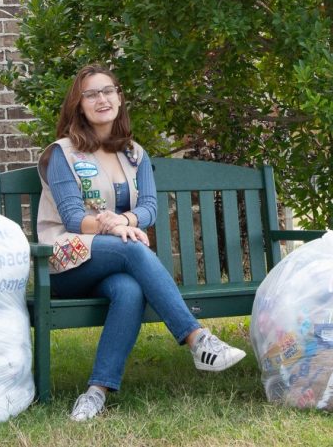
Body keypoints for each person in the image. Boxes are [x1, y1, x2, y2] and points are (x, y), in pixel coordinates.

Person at [36, 64, 246, 421]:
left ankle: (96, 392)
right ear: (78, 104)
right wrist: (112, 227)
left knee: (130, 290)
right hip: (67, 260)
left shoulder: (135, 153)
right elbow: (72, 216)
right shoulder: (63, 153)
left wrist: (126, 220)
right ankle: (196, 339)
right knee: (132, 248)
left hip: (115, 259)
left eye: (108, 90)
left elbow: (148, 207)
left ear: (119, 97)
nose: (101, 99)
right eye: (91, 94)